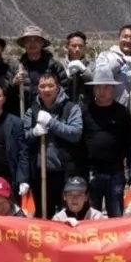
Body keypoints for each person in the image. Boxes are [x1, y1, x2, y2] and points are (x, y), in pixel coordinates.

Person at [23, 71, 84, 219]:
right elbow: (24, 137)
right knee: (43, 215)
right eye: (42, 86)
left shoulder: (71, 108)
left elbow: (75, 133)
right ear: (38, 89)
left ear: (58, 87)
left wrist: (52, 123)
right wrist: (34, 133)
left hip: (66, 172)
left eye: (50, 86)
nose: (46, 89)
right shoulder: (32, 111)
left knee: (68, 215)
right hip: (41, 174)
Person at [81, 64, 131, 217]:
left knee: (116, 214)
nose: (102, 91)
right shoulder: (85, 111)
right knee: (92, 215)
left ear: (113, 88)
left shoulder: (122, 112)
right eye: (98, 87)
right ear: (93, 89)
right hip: (92, 171)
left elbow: (129, 144)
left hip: (115, 172)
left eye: (106, 87)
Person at [13, 25, 69, 109]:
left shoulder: (54, 66)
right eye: (28, 40)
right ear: (24, 44)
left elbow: (65, 89)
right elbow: (7, 92)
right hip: (25, 111)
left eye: (36, 40)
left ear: (42, 43)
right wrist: (14, 83)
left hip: (50, 111)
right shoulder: (17, 67)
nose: (32, 44)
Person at [62, 31, 93, 99]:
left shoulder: (92, 66)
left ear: (85, 47)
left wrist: (84, 71)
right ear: (67, 47)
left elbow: (96, 85)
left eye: (80, 46)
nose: (77, 49)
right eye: (74, 46)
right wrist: (67, 77)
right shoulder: (60, 66)